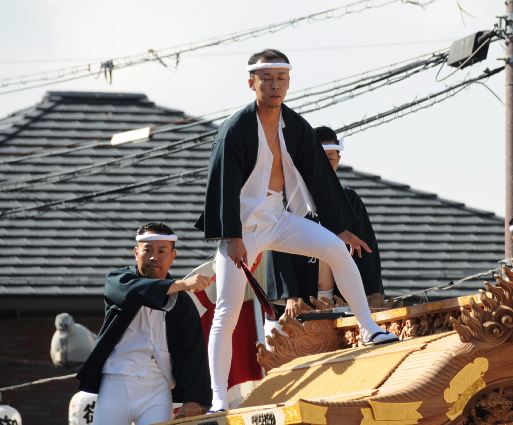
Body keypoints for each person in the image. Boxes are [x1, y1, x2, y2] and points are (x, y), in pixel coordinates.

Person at [194, 48, 398, 412]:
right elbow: (221, 184)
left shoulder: (295, 125)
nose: (275, 85)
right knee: (227, 312)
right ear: (252, 83)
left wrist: (339, 228)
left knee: (335, 249)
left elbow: (319, 176)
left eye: (281, 78)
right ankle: (219, 397)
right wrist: (233, 238)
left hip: (278, 217)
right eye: (267, 78)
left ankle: (369, 328)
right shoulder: (235, 129)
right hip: (243, 228)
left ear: (288, 82)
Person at [76, 222, 212, 425]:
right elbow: (134, 292)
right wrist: (183, 284)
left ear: (173, 256)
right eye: (147, 250)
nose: (154, 257)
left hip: (158, 386)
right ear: (136, 253)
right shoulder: (118, 281)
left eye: (162, 251)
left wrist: (194, 398)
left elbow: (193, 350)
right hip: (116, 380)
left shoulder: (182, 301)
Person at [265, 126, 383, 321]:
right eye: (318, 158)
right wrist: (290, 296)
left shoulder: (349, 199)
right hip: (298, 301)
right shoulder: (288, 199)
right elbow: (277, 249)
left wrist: (374, 292)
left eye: (329, 158)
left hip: (341, 300)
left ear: (338, 160)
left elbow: (366, 246)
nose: (324, 165)